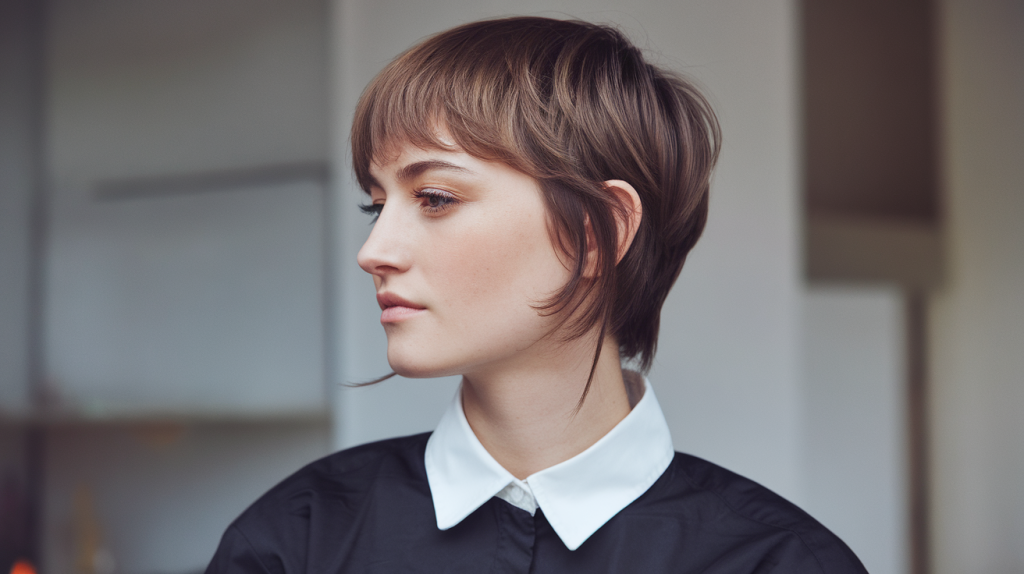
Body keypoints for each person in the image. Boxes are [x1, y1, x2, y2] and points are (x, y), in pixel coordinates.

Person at [207, 16, 867, 573]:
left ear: (597, 230)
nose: (374, 251)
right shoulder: (294, 541)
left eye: (434, 197)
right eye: (376, 205)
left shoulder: (778, 561)